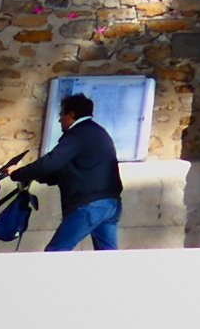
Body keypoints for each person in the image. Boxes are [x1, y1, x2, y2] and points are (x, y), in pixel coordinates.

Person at [12, 91, 123, 251]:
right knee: (107, 256)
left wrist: (18, 173)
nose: (59, 120)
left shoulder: (78, 134)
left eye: (61, 115)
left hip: (90, 204)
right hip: (110, 203)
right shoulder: (98, 132)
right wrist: (37, 177)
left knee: (56, 252)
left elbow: (50, 163)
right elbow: (65, 171)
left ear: (71, 115)